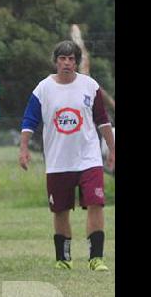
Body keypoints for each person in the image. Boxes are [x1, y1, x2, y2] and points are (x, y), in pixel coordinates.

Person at [18, 40, 115, 271]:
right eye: (63, 58)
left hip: (89, 159)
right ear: (56, 61)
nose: (67, 63)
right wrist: (23, 149)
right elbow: (29, 121)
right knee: (60, 209)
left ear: (77, 62)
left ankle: (96, 258)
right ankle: (63, 258)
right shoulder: (43, 88)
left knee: (96, 204)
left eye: (71, 59)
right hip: (58, 161)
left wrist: (112, 150)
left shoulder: (90, 86)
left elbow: (103, 120)